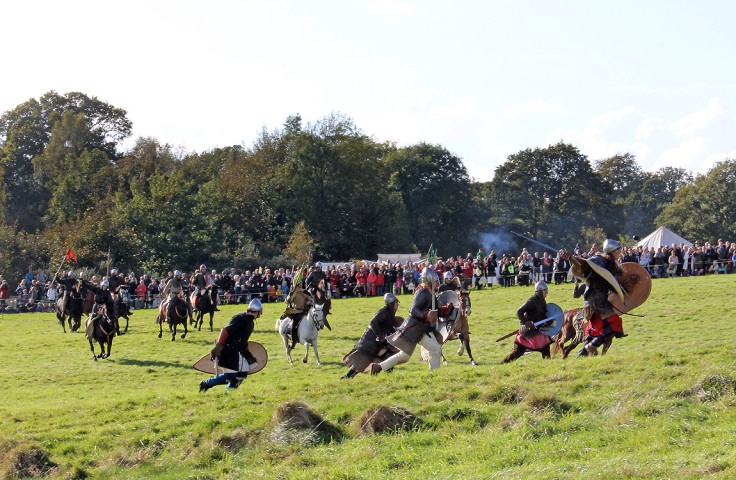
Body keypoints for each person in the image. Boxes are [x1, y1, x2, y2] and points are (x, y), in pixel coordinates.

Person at [370, 266, 452, 373]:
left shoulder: (431, 294)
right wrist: (426, 315)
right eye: (435, 281)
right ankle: (435, 375)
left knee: (414, 354)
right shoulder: (422, 292)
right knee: (425, 352)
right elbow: (413, 310)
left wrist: (445, 310)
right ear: (428, 281)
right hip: (413, 328)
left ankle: (378, 367)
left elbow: (434, 311)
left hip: (423, 329)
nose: (438, 283)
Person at [564, 239, 626, 356]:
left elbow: (612, 282)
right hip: (595, 301)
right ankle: (593, 345)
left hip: (599, 299)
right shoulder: (599, 260)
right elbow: (585, 264)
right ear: (612, 251)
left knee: (594, 330)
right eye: (618, 250)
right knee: (615, 323)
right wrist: (572, 259)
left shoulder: (610, 263)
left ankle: (581, 355)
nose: (620, 252)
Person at [199, 299, 263, 392]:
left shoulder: (250, 322)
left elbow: (244, 340)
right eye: (260, 312)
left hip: (236, 352)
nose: (260, 314)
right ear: (256, 311)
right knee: (232, 376)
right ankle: (206, 384)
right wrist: (219, 346)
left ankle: (229, 393)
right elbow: (225, 330)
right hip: (228, 350)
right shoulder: (240, 318)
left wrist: (247, 353)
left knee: (242, 374)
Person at [341, 293, 400, 379]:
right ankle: (347, 377)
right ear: (391, 303)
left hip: (379, 341)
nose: (397, 304)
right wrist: (380, 336)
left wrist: (396, 332)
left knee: (390, 356)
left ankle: (387, 377)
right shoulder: (383, 312)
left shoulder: (391, 314)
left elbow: (387, 327)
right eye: (396, 303)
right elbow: (373, 323)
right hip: (370, 340)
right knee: (363, 360)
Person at [501, 281, 553, 363]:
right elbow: (519, 311)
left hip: (537, 330)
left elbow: (542, 316)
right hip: (528, 331)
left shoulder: (543, 301)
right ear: (539, 291)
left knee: (545, 347)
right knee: (519, 352)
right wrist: (526, 322)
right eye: (544, 290)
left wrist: (549, 321)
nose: (546, 292)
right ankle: (504, 364)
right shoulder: (532, 301)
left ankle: (548, 365)